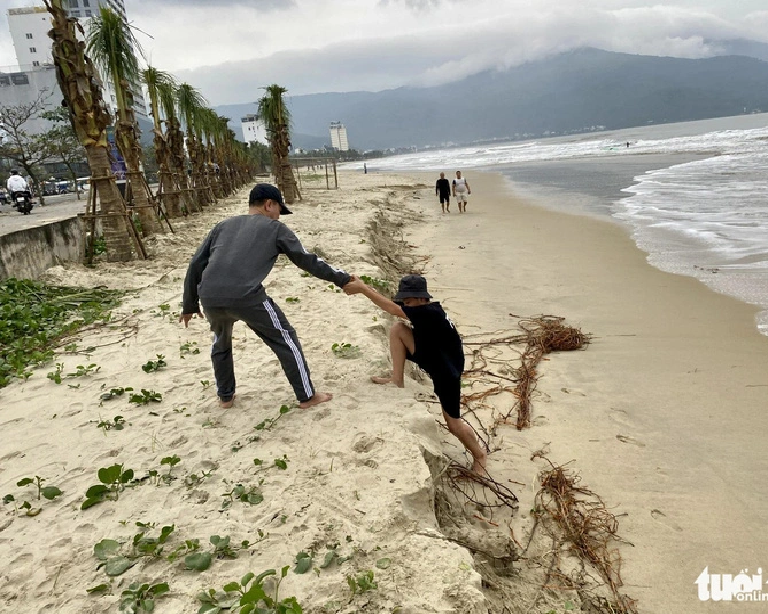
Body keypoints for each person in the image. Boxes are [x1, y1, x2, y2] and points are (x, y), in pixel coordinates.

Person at [180, 183, 351, 410]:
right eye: (279, 210)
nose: (279, 216)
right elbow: (307, 260)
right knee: (284, 338)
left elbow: (196, 264)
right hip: (246, 295)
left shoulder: (222, 226)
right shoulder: (275, 228)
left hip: (209, 295)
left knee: (220, 343)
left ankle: (225, 397)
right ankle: (307, 396)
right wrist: (342, 278)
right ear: (269, 204)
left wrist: (189, 304)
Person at [344, 274, 487, 473]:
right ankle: (397, 379)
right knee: (397, 329)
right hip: (432, 355)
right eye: (405, 303)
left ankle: (479, 455)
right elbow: (398, 312)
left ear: (421, 299)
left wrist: (363, 289)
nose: (406, 307)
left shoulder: (431, 312)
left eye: (409, 302)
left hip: (447, 372)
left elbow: (392, 309)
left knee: (453, 423)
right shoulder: (423, 310)